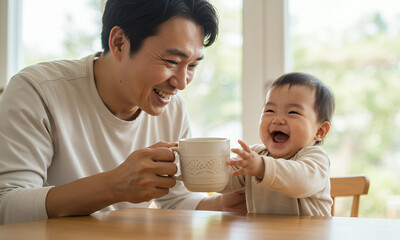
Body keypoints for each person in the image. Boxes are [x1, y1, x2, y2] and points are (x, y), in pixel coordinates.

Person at [0, 0, 246, 225]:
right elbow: (6, 205)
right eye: (171, 62)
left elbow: (176, 201)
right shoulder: (38, 91)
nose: (182, 83)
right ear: (119, 43)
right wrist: (114, 186)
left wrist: (220, 204)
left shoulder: (173, 108)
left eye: (192, 65)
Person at [221, 72, 335, 216]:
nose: (278, 119)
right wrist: (193, 166)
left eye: (293, 112)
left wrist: (262, 167)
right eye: (270, 110)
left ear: (320, 131)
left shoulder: (316, 158)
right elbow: (220, 181)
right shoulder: (255, 156)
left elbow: (300, 182)